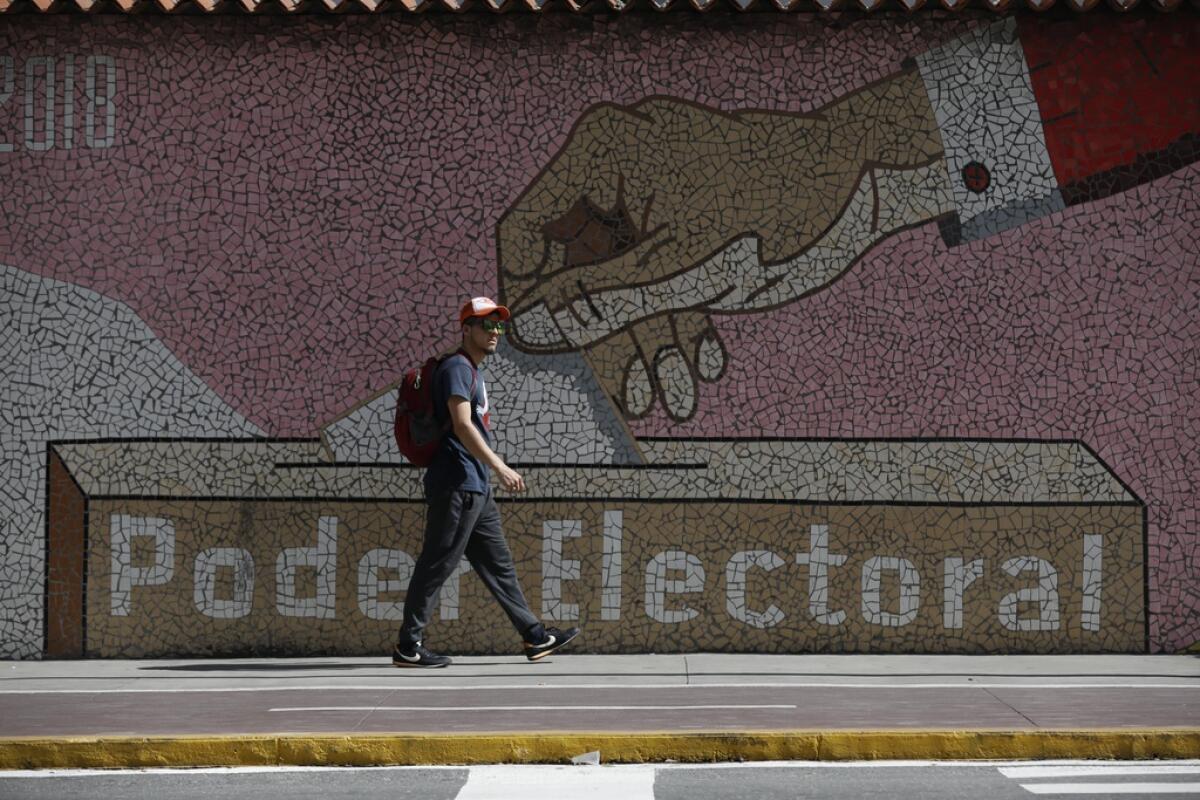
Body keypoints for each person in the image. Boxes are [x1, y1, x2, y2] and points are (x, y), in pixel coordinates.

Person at [393, 296, 580, 668]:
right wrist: (500, 467)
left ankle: (535, 637)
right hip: (458, 482)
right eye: (487, 325)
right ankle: (408, 646)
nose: (495, 332)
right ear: (466, 329)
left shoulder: (472, 371)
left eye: (499, 326)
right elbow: (462, 425)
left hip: (474, 487)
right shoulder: (457, 369)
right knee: (437, 563)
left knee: (499, 567)